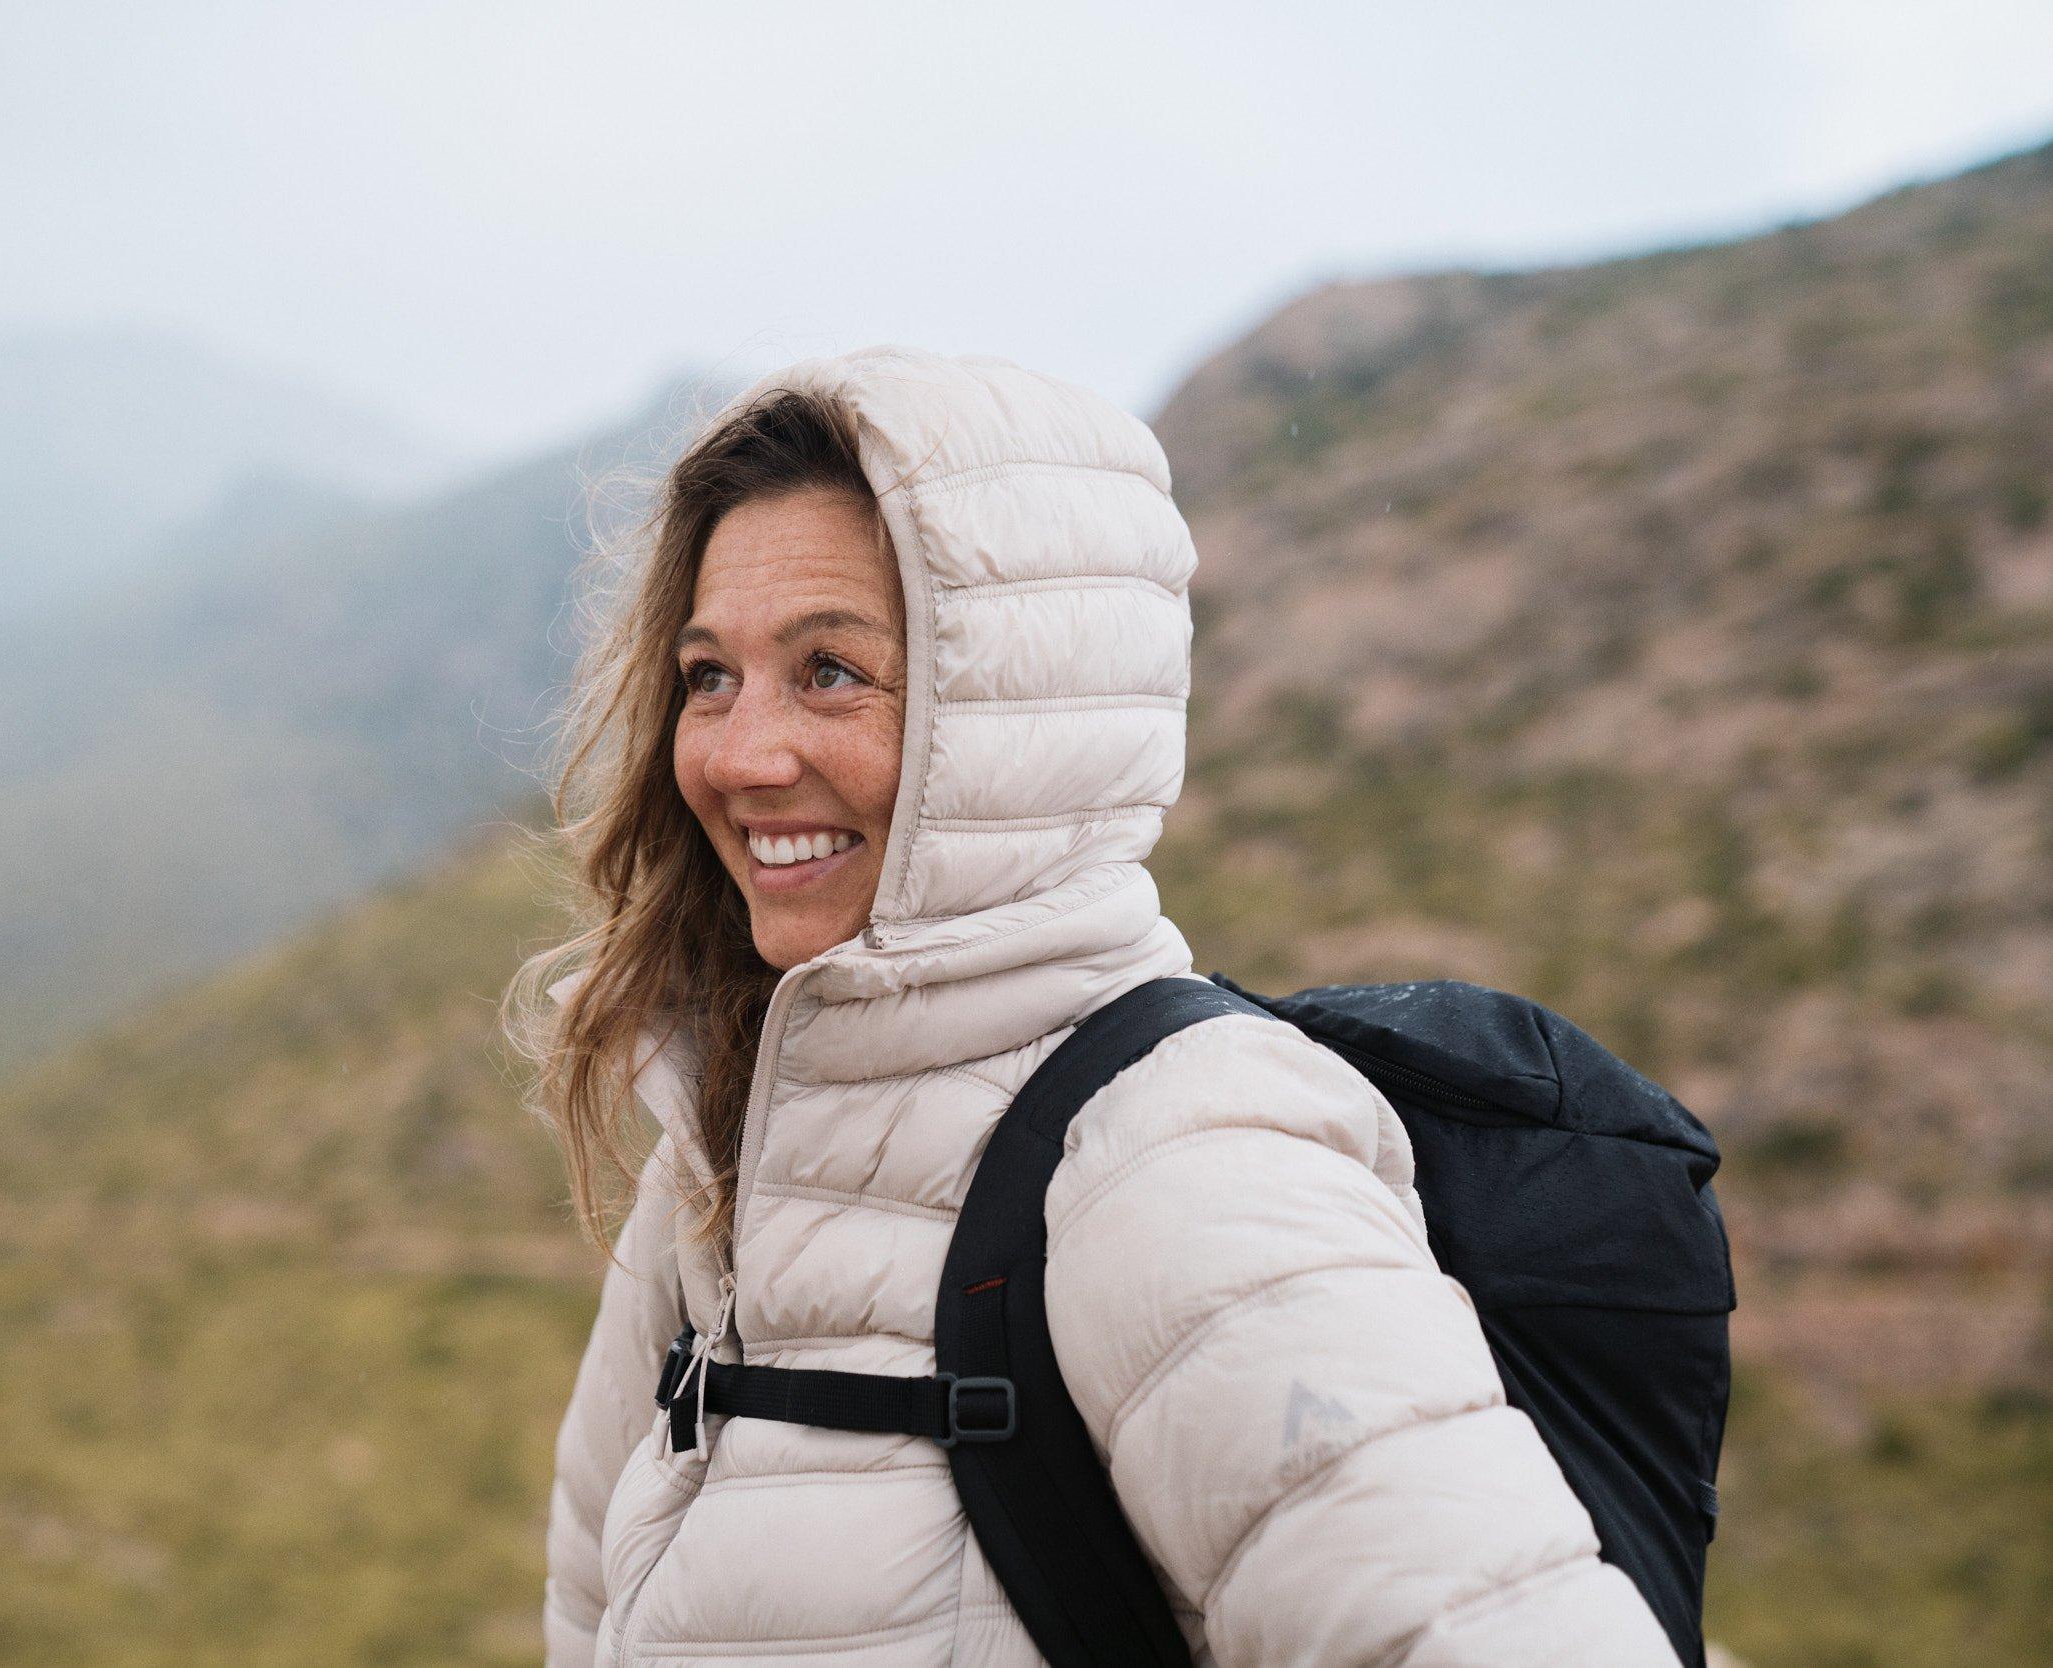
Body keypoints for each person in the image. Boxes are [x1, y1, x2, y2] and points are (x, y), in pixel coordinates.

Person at [504, 345, 1678, 1666]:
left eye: (829, 669)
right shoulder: (714, 1150)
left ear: (1009, 718)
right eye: (709, 674)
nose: (736, 753)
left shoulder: (1182, 1160)